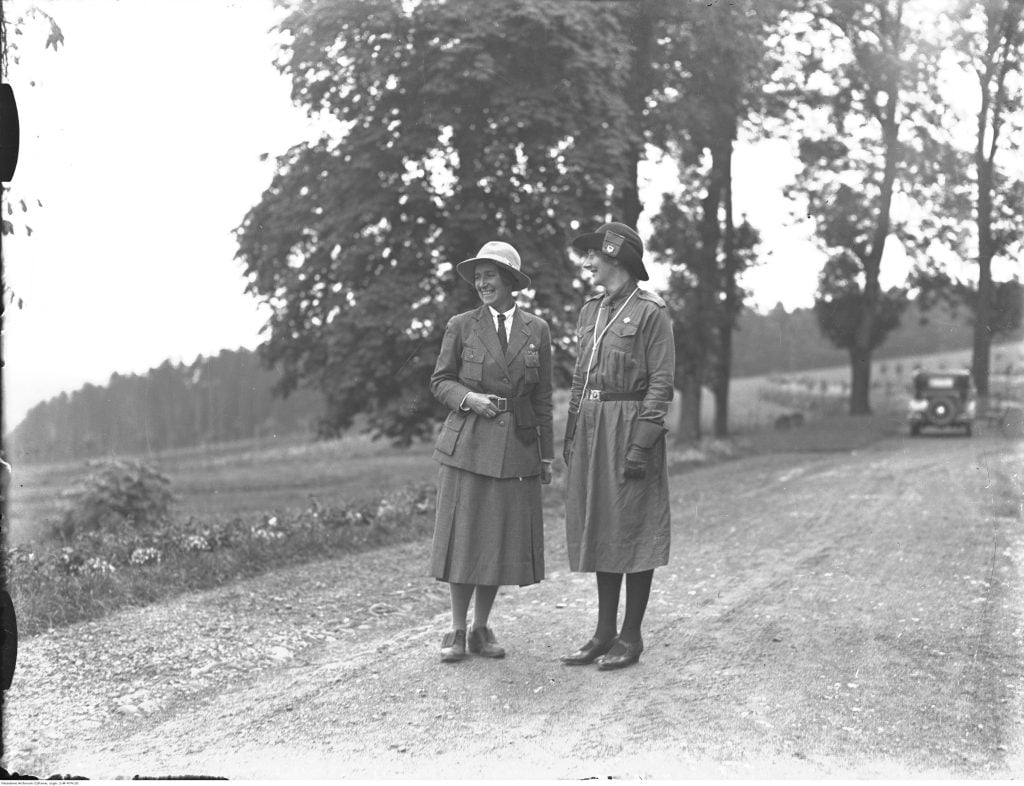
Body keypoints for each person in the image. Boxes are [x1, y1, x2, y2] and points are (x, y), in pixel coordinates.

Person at [429, 240, 554, 663]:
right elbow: (441, 381)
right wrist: (468, 399)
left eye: (490, 275)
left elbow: (543, 399)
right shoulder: (461, 325)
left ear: (509, 281)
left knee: (495, 540)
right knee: (464, 537)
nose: (482, 283)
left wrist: (547, 455)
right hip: (468, 443)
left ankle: (482, 628)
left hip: (517, 447)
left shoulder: (536, 330)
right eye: (478, 276)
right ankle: (457, 630)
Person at [560, 221, 675, 671]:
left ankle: (631, 635)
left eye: (593, 256)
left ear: (616, 259)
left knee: (634, 527)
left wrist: (641, 444)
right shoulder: (589, 310)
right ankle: (603, 633)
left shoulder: (651, 312)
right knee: (602, 526)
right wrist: (572, 433)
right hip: (591, 426)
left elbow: (661, 384)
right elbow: (578, 378)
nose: (586, 263)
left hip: (629, 427)